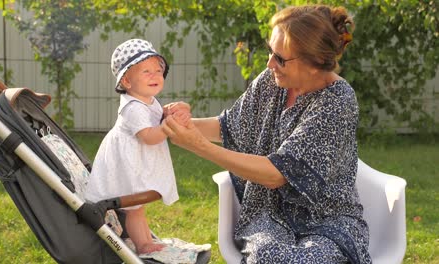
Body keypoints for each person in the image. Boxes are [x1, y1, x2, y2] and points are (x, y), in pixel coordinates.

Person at [162, 4, 372, 264]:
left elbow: (276, 174)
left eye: (280, 58)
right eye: (270, 51)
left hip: (327, 221)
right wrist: (180, 123)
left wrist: (198, 146)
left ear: (315, 63)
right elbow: (229, 126)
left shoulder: (337, 102)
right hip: (269, 214)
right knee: (267, 255)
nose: (270, 63)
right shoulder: (272, 80)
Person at [85, 39, 189, 254]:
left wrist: (172, 112)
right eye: (146, 71)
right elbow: (149, 137)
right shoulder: (133, 107)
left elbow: (158, 117)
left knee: (137, 209)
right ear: (127, 82)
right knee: (134, 208)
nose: (155, 76)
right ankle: (142, 245)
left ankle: (145, 241)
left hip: (136, 160)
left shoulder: (148, 100)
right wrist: (167, 127)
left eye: (158, 71)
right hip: (126, 163)